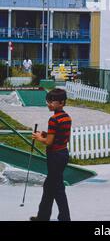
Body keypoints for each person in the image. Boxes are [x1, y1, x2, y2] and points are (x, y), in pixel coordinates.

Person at [30, 88, 72, 221]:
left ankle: (65, 218)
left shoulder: (53, 119)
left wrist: (38, 137)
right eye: (48, 101)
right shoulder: (67, 117)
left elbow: (48, 142)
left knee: (57, 188)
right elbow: (64, 137)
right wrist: (47, 134)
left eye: (52, 102)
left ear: (61, 103)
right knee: (49, 187)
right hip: (63, 153)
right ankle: (43, 216)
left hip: (54, 156)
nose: (49, 104)